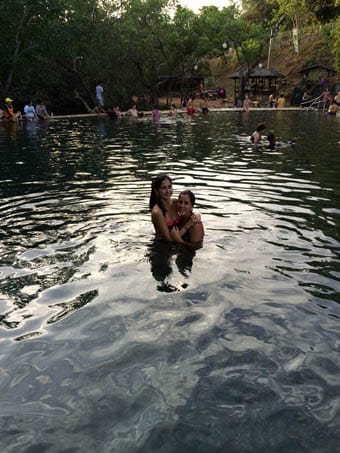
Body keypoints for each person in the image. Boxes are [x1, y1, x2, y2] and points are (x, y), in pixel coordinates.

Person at [149, 174, 197, 242]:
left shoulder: (175, 202)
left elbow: (188, 208)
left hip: (178, 239)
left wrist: (197, 215)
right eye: (163, 188)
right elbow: (169, 239)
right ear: (157, 191)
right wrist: (188, 225)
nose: (168, 191)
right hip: (162, 246)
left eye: (169, 187)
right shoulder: (157, 212)